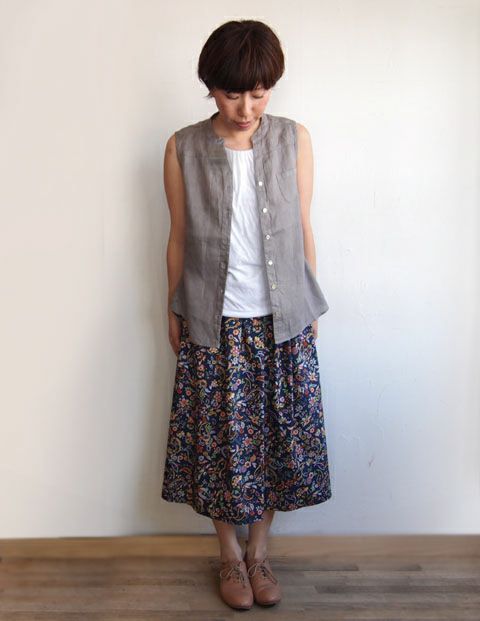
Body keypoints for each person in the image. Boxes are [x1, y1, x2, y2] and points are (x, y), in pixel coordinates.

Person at [161, 19, 332, 610]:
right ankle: (229, 555)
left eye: (258, 94)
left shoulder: (293, 139)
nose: (246, 108)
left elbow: (304, 226)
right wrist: (172, 307)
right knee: (219, 443)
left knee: (278, 439)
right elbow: (178, 237)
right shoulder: (182, 147)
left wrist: (308, 303)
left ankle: (260, 552)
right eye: (232, 93)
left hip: (283, 318)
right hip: (215, 319)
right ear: (210, 85)